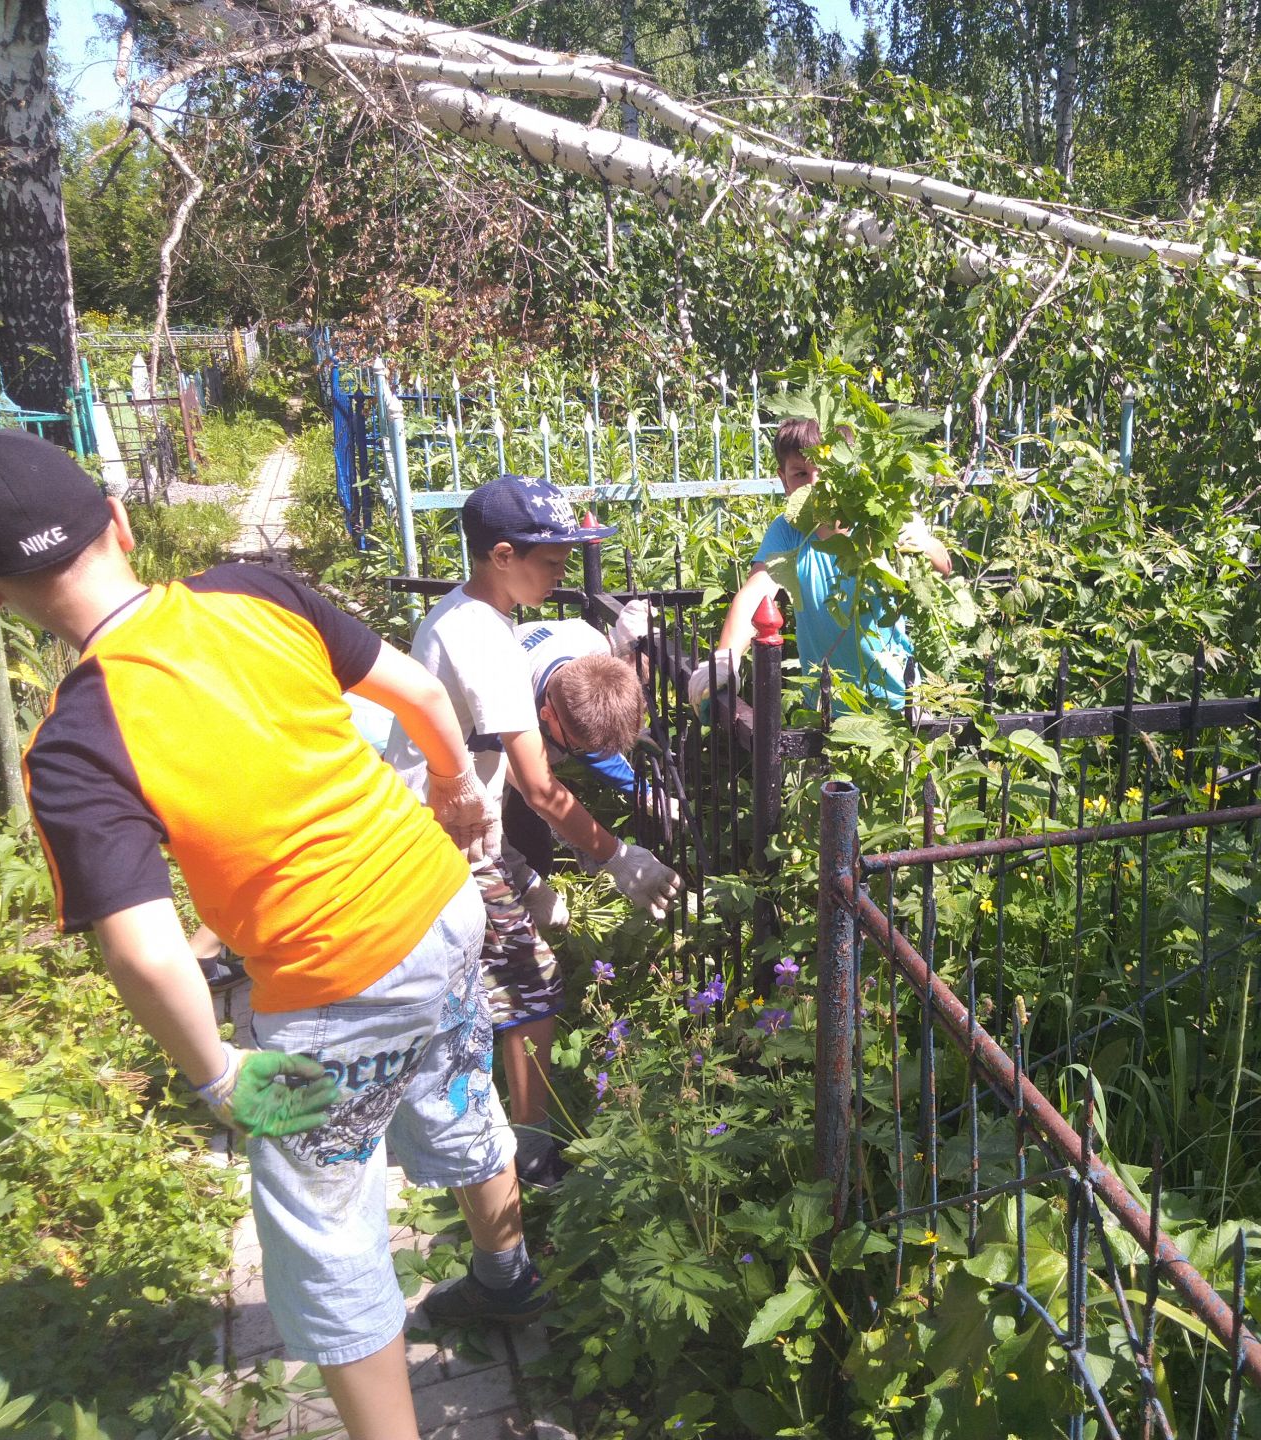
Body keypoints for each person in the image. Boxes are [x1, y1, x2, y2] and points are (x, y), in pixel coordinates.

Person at [0, 430, 539, 1440]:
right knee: (454, 1078)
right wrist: (454, 791)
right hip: (440, 907)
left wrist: (221, 1077)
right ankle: (508, 1274)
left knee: (325, 1230)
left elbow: (144, 949)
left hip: (330, 993)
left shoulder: (76, 741)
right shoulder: (253, 591)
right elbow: (421, 691)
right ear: (123, 525)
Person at [381, 475, 681, 1190]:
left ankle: (473, 1111)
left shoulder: (477, 618)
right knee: (532, 986)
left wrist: (516, 864)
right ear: (504, 555)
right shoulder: (484, 641)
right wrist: (617, 858)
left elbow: (491, 765)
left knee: (482, 983)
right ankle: (531, 1149)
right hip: (441, 846)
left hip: (450, 833)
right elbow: (541, 788)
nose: (562, 572)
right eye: (551, 560)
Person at [689, 417, 951, 713]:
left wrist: (923, 543)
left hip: (897, 701)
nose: (815, 484)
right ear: (784, 481)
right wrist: (727, 658)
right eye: (800, 474)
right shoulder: (788, 532)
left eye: (826, 471)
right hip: (825, 707)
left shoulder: (879, 518)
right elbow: (755, 594)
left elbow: (945, 564)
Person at [505, 612, 653, 933]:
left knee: (537, 847)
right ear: (547, 715)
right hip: (448, 777)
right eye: (576, 748)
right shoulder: (503, 701)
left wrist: (643, 791)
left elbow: (591, 738)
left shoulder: (592, 648)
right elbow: (537, 793)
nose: (584, 756)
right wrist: (525, 882)